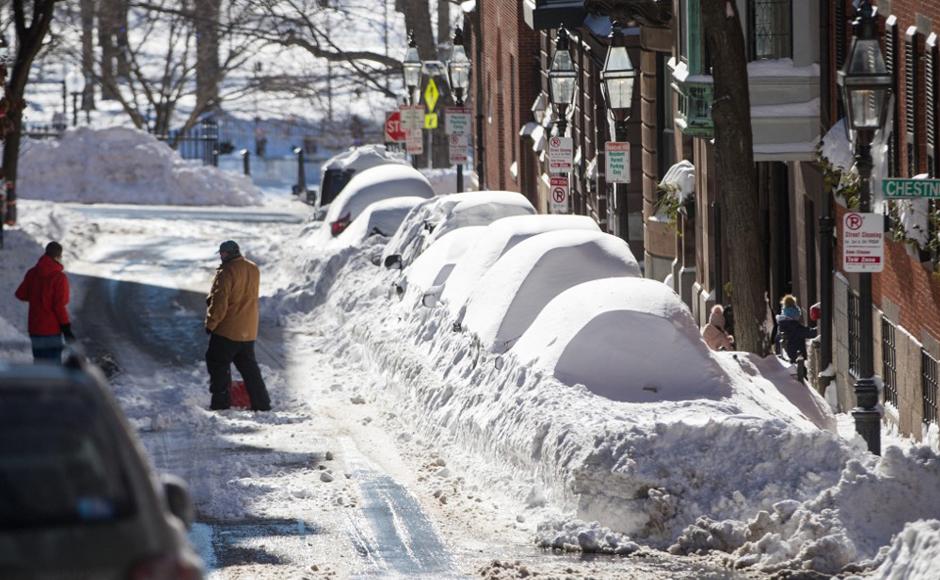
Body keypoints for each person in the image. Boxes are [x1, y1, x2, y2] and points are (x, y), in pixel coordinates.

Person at [205, 240, 271, 411]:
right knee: (250, 369)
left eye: (224, 253)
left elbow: (220, 302)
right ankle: (262, 403)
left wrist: (211, 323)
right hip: (248, 329)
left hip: (228, 329)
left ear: (232, 253)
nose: (222, 256)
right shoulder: (253, 268)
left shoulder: (227, 271)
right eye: (221, 253)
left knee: (217, 364)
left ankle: (221, 403)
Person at [14, 241, 75, 363]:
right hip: (51, 330)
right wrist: (66, 328)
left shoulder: (32, 273)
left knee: (40, 366)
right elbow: (59, 306)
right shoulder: (59, 277)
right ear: (58, 257)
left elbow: (20, 294)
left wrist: (36, 297)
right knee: (53, 369)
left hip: (35, 328)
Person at [776, 294, 817, 362]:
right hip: (796, 362)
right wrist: (820, 329)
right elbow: (810, 333)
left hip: (786, 360)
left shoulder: (782, 325)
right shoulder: (793, 326)